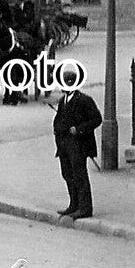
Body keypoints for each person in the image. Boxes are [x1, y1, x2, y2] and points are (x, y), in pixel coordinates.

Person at [53, 72, 102, 220]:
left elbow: (96, 119)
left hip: (79, 144)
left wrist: (79, 129)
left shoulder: (84, 100)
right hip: (64, 144)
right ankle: (74, 204)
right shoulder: (63, 101)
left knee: (79, 175)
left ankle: (85, 208)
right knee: (67, 174)